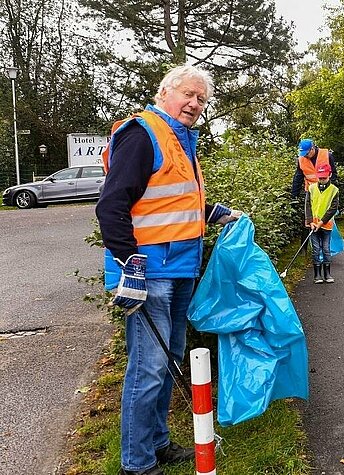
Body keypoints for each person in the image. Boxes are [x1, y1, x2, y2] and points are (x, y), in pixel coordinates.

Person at [96, 64, 242, 475]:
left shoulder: (181, 142)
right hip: (150, 273)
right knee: (148, 367)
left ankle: (157, 444)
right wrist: (129, 265)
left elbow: (170, 204)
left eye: (201, 100)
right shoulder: (142, 134)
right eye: (188, 95)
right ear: (164, 93)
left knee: (169, 360)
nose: (194, 104)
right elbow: (111, 205)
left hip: (178, 269)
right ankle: (137, 463)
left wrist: (217, 214)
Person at [305, 163, 339, 283]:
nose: (322, 180)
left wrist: (321, 222)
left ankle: (327, 274)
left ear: (329, 175)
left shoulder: (334, 190)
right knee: (316, 249)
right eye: (320, 178)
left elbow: (333, 208)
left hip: (326, 225)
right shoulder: (311, 188)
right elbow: (307, 205)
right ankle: (317, 275)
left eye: (324, 177)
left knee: (326, 249)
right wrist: (310, 222)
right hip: (313, 225)